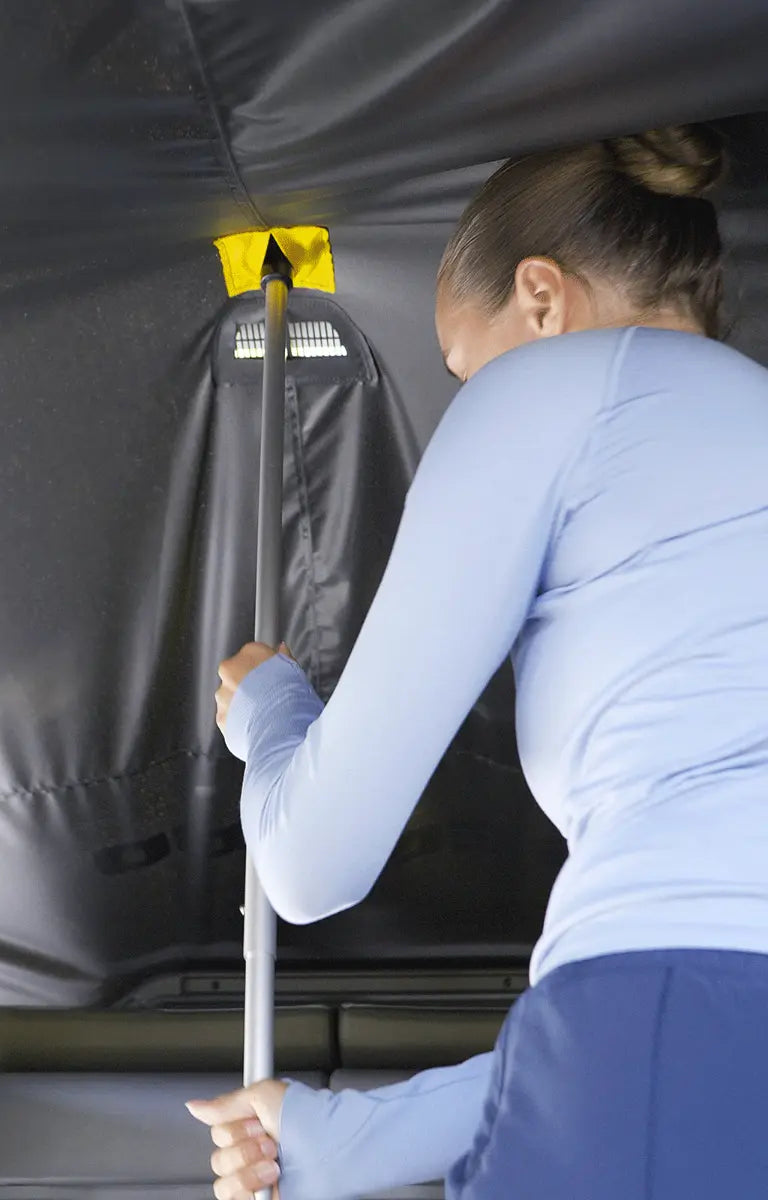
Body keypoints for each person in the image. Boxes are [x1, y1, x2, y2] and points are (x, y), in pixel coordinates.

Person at [186, 125, 768, 1199]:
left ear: (542, 299)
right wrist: (354, 1138)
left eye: (465, 369)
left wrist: (269, 716)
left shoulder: (553, 388)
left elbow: (311, 864)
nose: (469, 400)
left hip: (664, 1021)